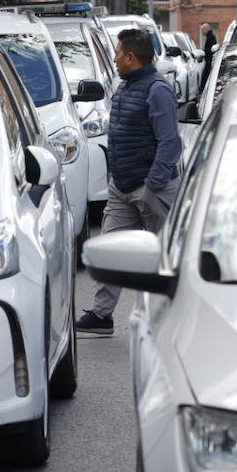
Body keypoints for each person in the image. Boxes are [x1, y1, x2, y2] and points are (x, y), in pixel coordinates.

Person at [75, 28, 181, 336]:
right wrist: (116, 178)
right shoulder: (126, 86)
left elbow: (169, 142)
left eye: (118, 53)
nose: (115, 58)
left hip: (151, 188)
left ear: (131, 57)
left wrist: (153, 185)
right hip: (122, 187)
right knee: (110, 251)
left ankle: (170, 316)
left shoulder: (157, 89)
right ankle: (102, 315)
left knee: (162, 257)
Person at [198, 22, 218, 90]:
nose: (202, 33)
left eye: (202, 31)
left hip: (209, 60)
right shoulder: (210, 36)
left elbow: (211, 49)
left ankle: (203, 89)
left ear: (206, 29)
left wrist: (204, 51)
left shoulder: (211, 37)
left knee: (206, 76)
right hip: (209, 60)